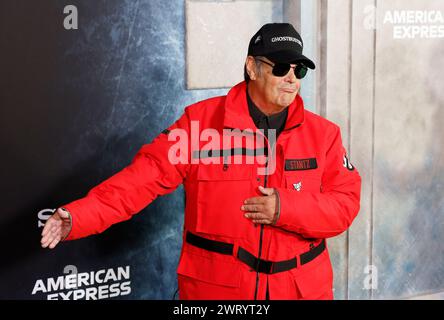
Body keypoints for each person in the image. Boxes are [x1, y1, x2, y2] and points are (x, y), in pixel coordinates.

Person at [41, 23, 361, 300]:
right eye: (280, 68)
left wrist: (285, 208)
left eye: (299, 70)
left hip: (301, 289)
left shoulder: (324, 135)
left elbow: (345, 206)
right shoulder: (199, 125)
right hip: (218, 292)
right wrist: (80, 216)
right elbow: (142, 179)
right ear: (252, 67)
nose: (291, 78)